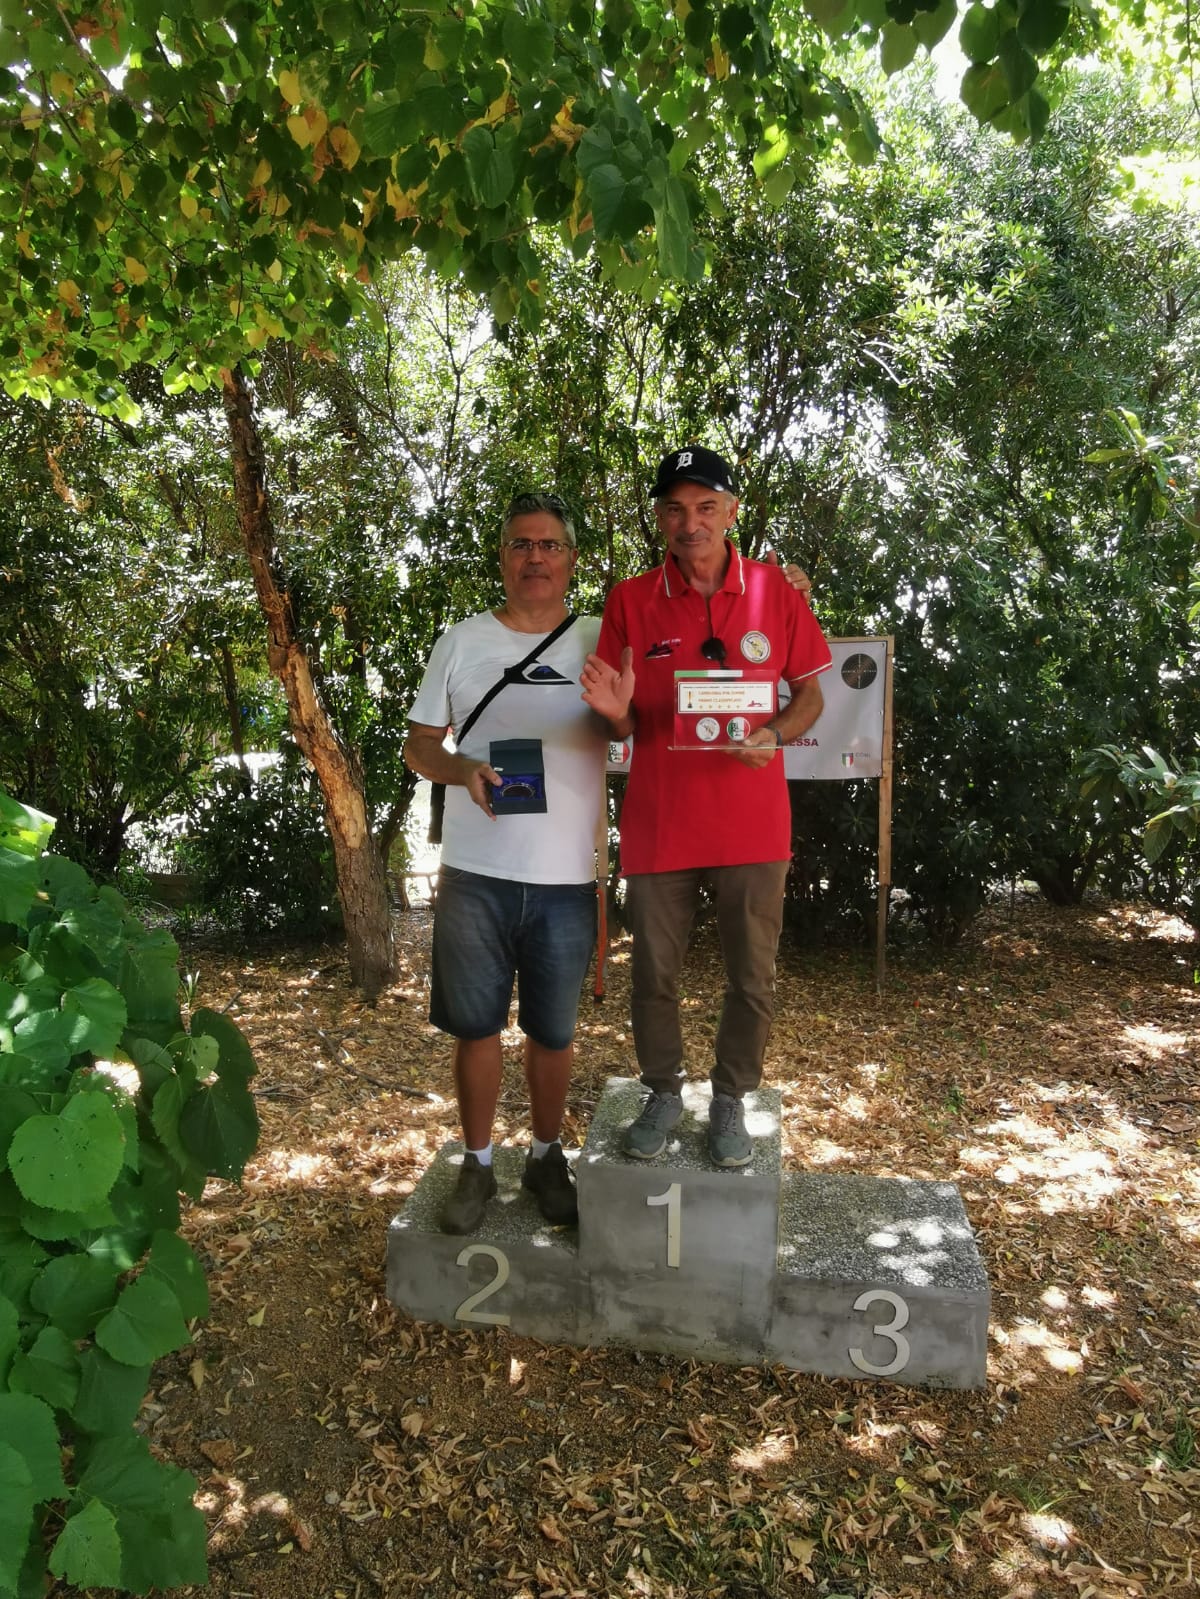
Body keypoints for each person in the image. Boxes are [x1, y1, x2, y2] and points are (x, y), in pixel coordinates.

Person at [580, 446, 833, 1169]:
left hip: (753, 824)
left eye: (705, 506)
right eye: (675, 508)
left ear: (731, 511)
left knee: (752, 976)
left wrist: (774, 734)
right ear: (661, 517)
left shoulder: (777, 592)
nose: (690, 522)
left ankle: (730, 1099)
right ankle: (663, 1091)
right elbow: (619, 722)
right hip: (661, 821)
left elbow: (811, 695)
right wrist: (615, 711)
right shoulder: (630, 600)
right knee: (653, 971)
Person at [403, 492, 607, 1234]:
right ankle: (479, 1163)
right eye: (522, 544)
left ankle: (547, 1157)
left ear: (571, 559)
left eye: (550, 545)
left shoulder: (600, 636)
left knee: (553, 1031)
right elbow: (418, 745)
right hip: (476, 873)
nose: (535, 557)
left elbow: (681, 651)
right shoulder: (461, 641)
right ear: (502, 557)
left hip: (566, 877)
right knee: (477, 1026)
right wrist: (462, 770)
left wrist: (780, 590)